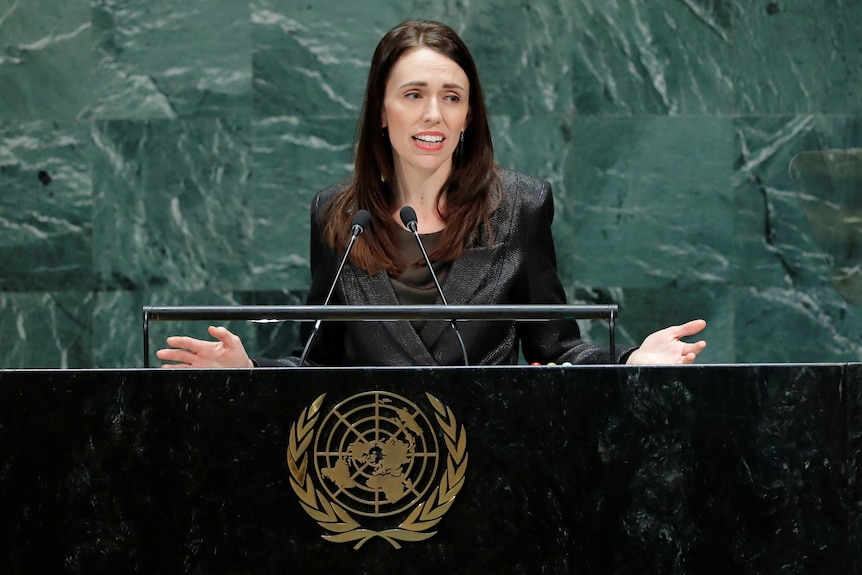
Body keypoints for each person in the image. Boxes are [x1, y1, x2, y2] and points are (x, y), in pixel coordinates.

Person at [156, 20, 706, 369]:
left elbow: (557, 347)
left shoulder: (521, 205)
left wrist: (632, 359)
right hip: (377, 474)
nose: (432, 115)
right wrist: (248, 372)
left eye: (451, 97)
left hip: (488, 467)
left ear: (468, 115)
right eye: (413, 94)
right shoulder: (339, 215)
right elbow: (316, 358)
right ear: (381, 110)